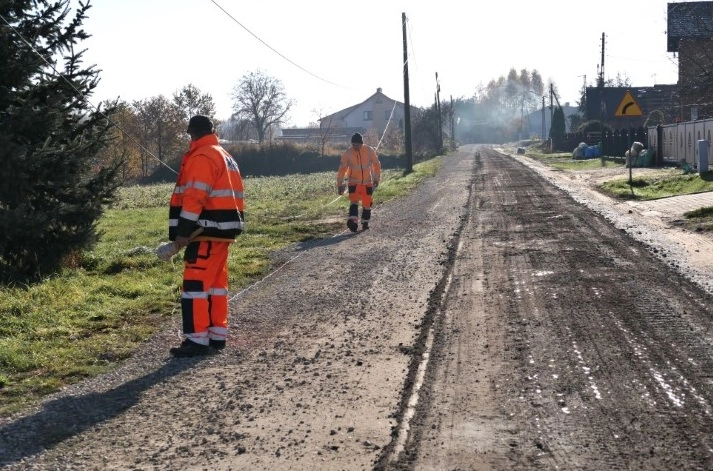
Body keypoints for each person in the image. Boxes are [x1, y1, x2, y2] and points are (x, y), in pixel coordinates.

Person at [167, 115, 245, 357]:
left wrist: (182, 233)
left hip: (205, 231)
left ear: (192, 133)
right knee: (215, 286)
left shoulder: (202, 157)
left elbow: (194, 199)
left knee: (195, 284)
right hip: (222, 232)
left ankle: (197, 340)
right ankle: (216, 336)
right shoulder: (225, 155)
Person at [336, 132, 381, 232]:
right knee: (354, 203)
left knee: (367, 204)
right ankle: (353, 223)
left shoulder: (369, 151)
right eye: (353, 144)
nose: (355, 146)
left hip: (367, 183)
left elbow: (376, 165)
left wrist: (376, 179)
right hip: (353, 183)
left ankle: (365, 222)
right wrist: (339, 185)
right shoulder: (347, 153)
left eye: (357, 144)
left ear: (361, 143)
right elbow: (342, 169)